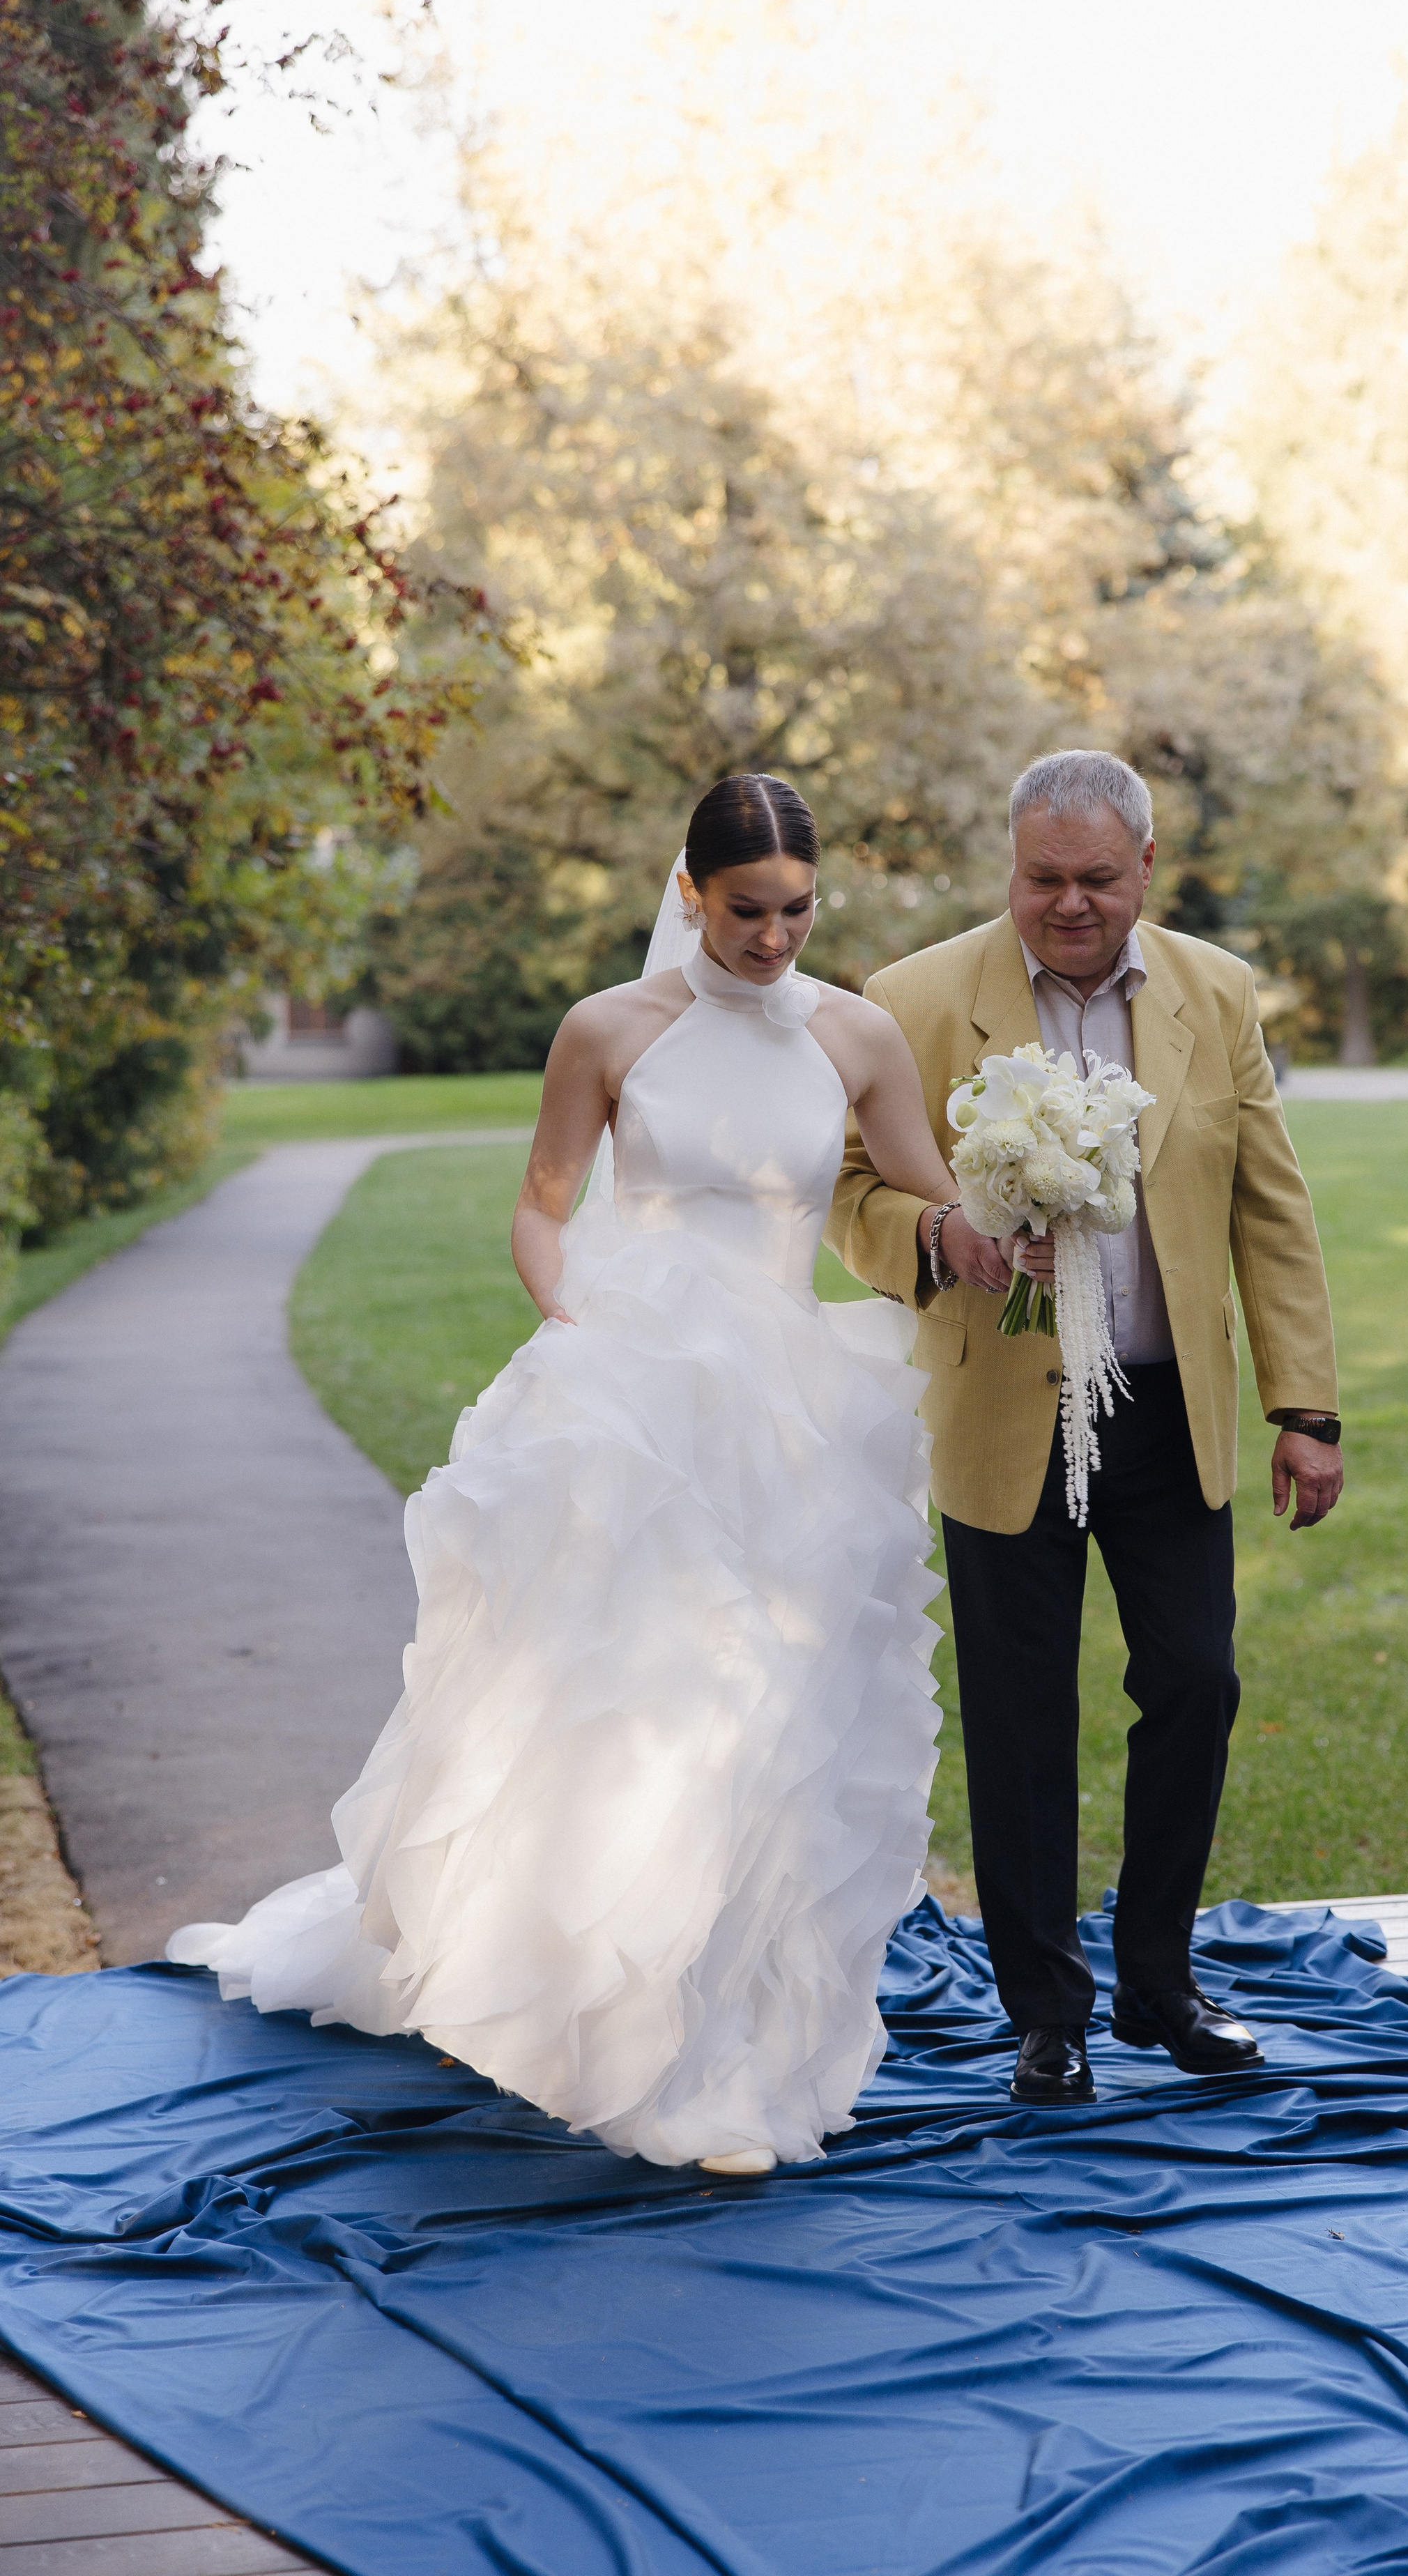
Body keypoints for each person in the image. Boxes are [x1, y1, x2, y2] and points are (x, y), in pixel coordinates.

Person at [170, 775, 974, 2178]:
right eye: (744, 912)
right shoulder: (609, 1030)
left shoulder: (854, 1035)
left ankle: (736, 2033)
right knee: (633, 1700)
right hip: (634, 1398)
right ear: (689, 893)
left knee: (775, 1717)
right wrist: (583, 1333)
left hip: (782, 1410)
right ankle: (617, 2032)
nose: (773, 938)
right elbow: (543, 1211)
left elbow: (923, 1193)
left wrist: (1009, 1208)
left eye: (796, 911)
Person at [827, 749, 1342, 2107]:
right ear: (1010, 868)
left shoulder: (1214, 994)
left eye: (1094, 880)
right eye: (1041, 878)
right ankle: (1044, 2014)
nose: (1067, 904)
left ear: (1143, 873)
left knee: (1194, 1681)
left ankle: (1162, 1987)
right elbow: (847, 1200)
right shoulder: (913, 1001)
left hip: (1168, 1414)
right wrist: (944, 1236)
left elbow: (1268, 1214)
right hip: (1000, 1413)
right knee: (1017, 1716)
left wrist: (1306, 1408)